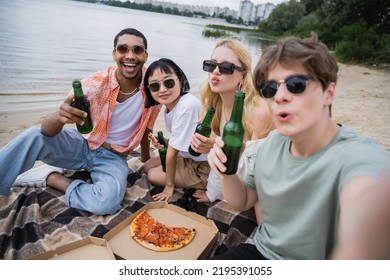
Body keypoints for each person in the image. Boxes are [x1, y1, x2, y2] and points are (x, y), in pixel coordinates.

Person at [207, 33, 390, 259]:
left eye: (296, 84)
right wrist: (226, 172)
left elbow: (367, 194)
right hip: (261, 251)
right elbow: (242, 200)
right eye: (270, 89)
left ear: (329, 93)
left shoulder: (358, 156)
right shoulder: (272, 143)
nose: (280, 96)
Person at [0, 28, 161, 215]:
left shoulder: (154, 88)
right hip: (83, 143)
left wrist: (145, 160)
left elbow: (146, 128)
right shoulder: (93, 84)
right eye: (123, 49)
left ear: (146, 55)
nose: (130, 56)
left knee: (107, 203)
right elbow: (47, 130)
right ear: (114, 53)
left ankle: (51, 177)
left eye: (137, 50)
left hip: (114, 157)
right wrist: (61, 117)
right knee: (32, 136)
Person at [189, 38, 274, 222]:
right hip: (232, 182)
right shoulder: (213, 103)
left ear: (243, 75)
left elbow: (265, 168)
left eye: (226, 67)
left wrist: (216, 148)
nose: (216, 71)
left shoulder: (258, 112)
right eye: (211, 65)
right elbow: (213, 150)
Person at [142, 58, 210, 201]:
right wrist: (165, 142)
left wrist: (169, 187)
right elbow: (181, 140)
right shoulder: (172, 105)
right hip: (188, 157)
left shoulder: (187, 106)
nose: (162, 90)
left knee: (153, 175)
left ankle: (203, 184)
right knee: (148, 166)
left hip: (203, 168)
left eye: (169, 82)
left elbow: (172, 153)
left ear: (180, 80)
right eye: (155, 86)